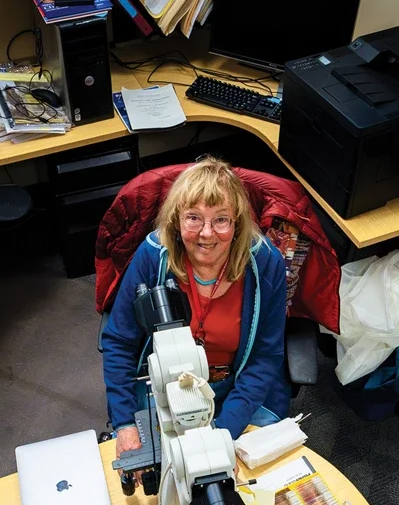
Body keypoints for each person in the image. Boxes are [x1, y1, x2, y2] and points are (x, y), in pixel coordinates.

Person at [101, 157, 289, 459]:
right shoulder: (153, 256)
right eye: (194, 218)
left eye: (221, 219)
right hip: (166, 388)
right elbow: (119, 341)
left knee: (250, 481)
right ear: (176, 220)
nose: (206, 233)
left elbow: (265, 357)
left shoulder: (265, 263)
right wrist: (124, 423)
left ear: (238, 222)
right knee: (153, 476)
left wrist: (223, 433)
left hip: (238, 389)